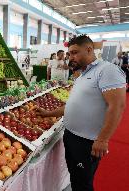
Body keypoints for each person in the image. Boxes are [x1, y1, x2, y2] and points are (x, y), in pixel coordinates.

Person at [37, 35, 126, 191]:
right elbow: (73, 105)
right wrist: (48, 113)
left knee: (83, 183)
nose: (71, 57)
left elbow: (117, 106)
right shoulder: (82, 74)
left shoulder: (106, 70)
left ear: (89, 49)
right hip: (71, 137)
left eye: (75, 52)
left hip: (87, 142)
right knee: (76, 177)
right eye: (69, 53)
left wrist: (103, 139)